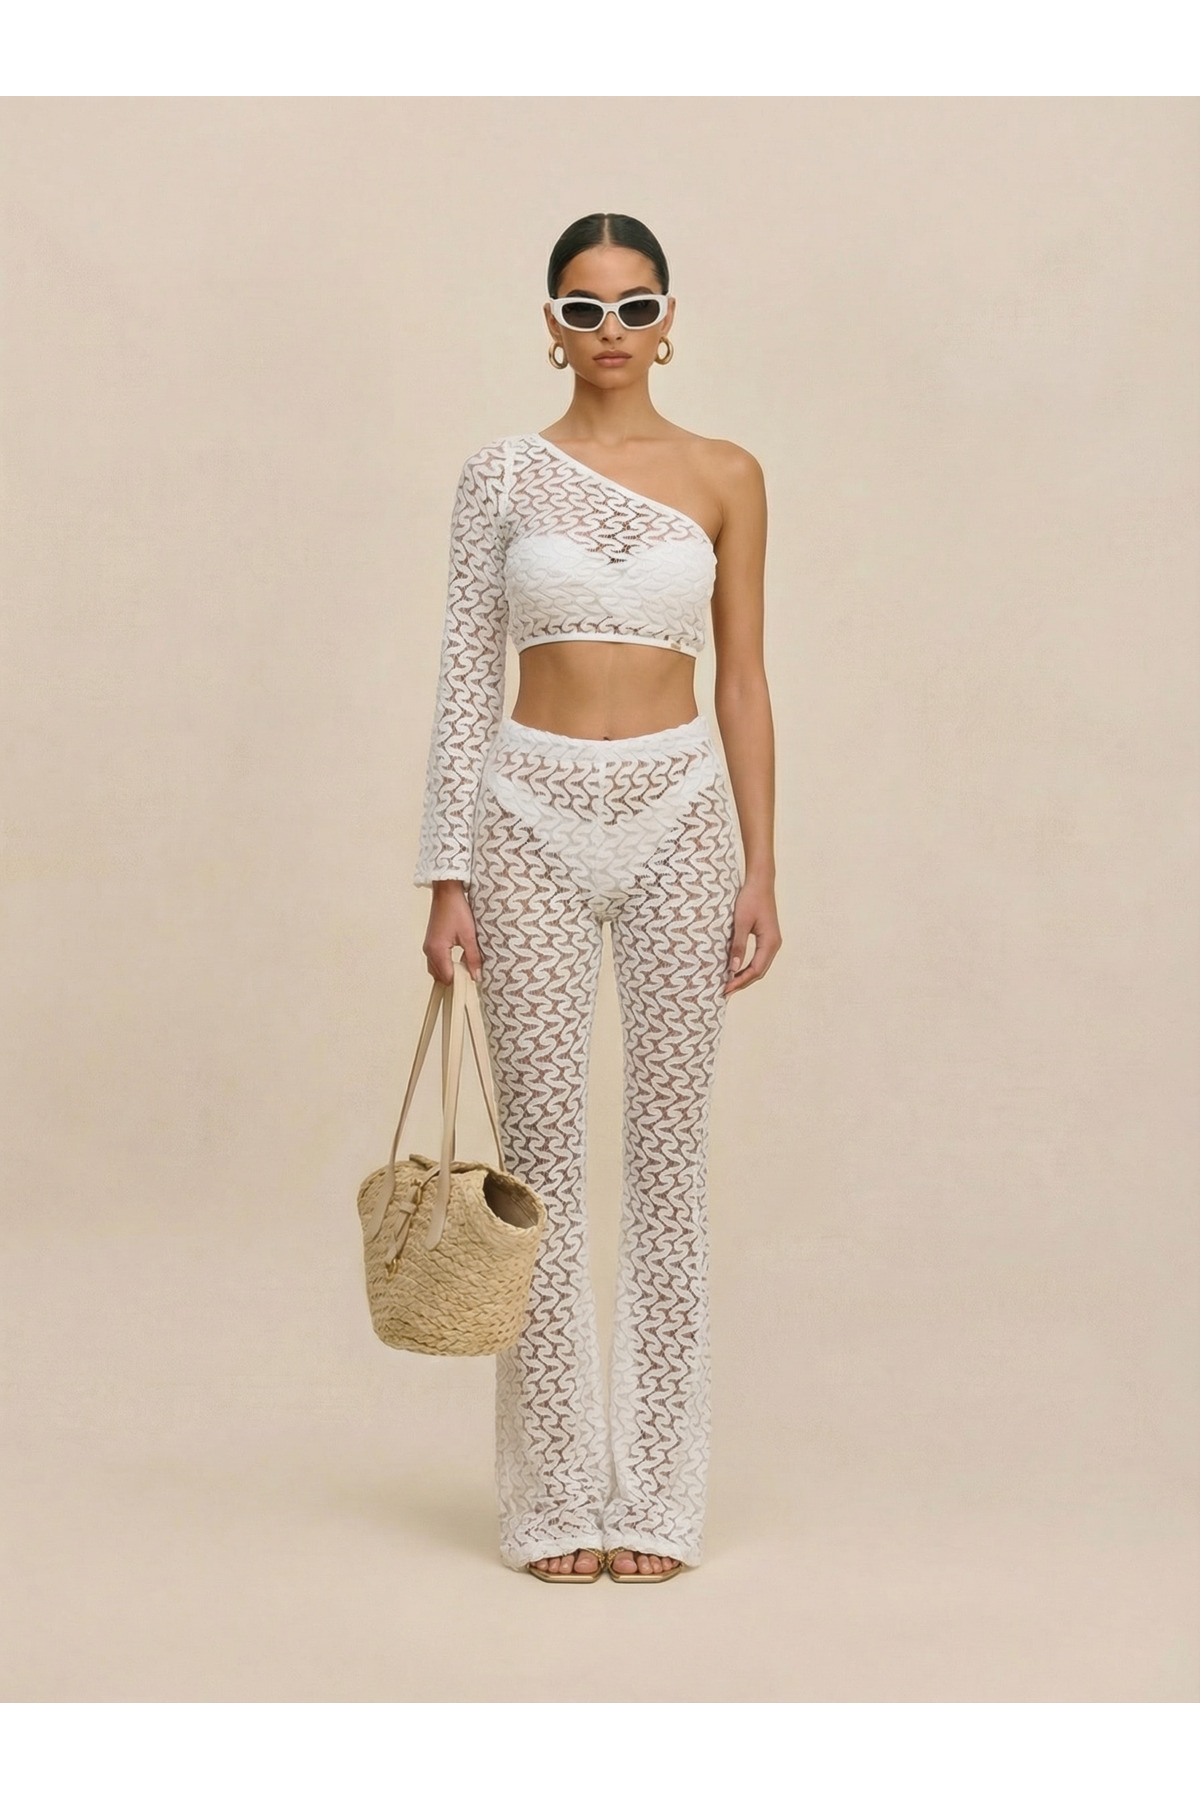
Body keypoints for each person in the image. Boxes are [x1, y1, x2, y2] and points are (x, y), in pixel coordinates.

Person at [414, 212, 781, 1583]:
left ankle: (660, 1497)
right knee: (545, 1166)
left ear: (669, 320)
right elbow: (466, 670)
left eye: (634, 307)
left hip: (684, 814)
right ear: (552, 324)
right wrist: (445, 872)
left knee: (670, 1160)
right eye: (584, 308)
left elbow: (744, 675)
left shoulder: (727, 474)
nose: (610, 331)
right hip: (525, 816)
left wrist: (761, 863)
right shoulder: (502, 475)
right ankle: (558, 1497)